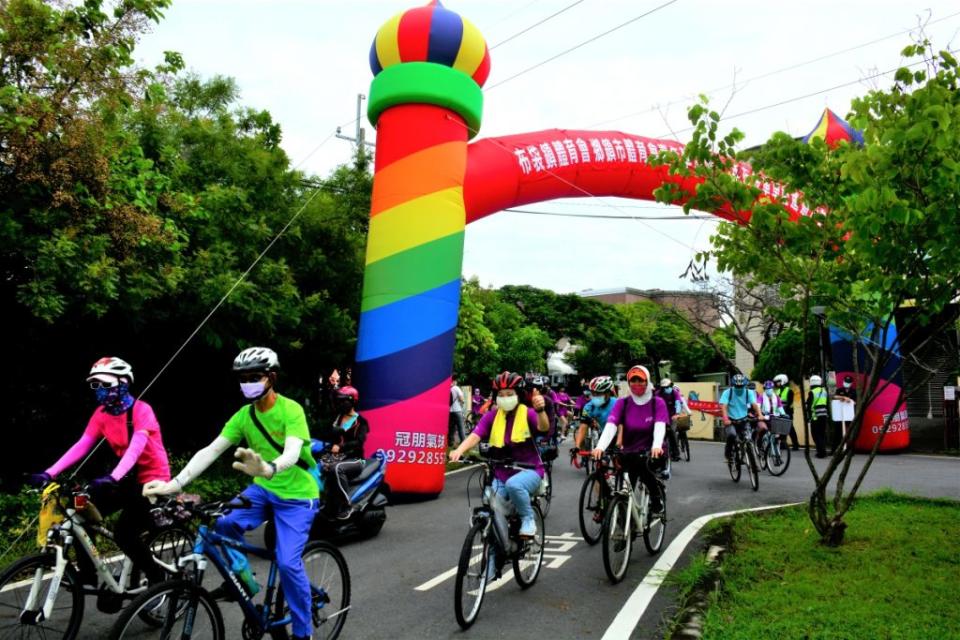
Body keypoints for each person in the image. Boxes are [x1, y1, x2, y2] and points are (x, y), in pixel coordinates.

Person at [143, 347, 319, 640]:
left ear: (271, 378)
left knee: (288, 563)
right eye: (243, 378)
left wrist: (269, 468)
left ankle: (303, 633)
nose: (247, 382)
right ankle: (244, 578)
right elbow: (211, 451)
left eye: (254, 377)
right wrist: (174, 484)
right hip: (263, 491)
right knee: (223, 524)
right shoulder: (243, 416)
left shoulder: (291, 410)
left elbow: (291, 453)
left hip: (298, 496)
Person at [28, 357, 172, 586]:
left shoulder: (141, 411)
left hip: (152, 481)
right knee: (78, 509)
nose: (99, 390)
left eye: (106, 384)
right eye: (95, 385)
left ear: (124, 382)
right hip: (124, 478)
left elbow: (135, 450)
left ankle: (157, 578)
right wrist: (49, 473)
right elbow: (82, 444)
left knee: (125, 533)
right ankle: (89, 575)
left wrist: (112, 477)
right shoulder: (101, 414)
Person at [449, 372, 549, 541]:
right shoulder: (492, 416)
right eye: (501, 395)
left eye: (510, 394)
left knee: (514, 485)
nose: (505, 398)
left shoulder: (528, 413)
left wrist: (540, 410)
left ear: (518, 395)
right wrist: (459, 449)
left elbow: (543, 427)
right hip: (501, 472)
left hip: (530, 470)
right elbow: (476, 434)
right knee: (492, 503)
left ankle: (528, 519)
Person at [591, 365, 666, 516]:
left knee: (644, 469)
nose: (636, 384)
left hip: (650, 451)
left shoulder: (657, 403)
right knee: (625, 489)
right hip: (629, 451)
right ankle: (624, 522)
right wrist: (600, 447)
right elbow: (611, 425)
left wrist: (656, 445)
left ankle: (657, 497)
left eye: (640, 380)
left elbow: (659, 426)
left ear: (647, 381)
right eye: (633, 380)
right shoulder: (623, 403)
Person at [316, 385, 369, 519]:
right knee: (314, 467)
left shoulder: (360, 422)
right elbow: (327, 434)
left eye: (343, 401)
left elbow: (359, 442)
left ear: (352, 401)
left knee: (337, 469)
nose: (340, 404)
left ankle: (346, 505)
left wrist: (341, 447)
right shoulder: (337, 418)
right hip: (335, 457)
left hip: (355, 459)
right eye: (339, 401)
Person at [719, 373, 763, 463]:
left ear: (744, 385)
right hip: (731, 420)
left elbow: (754, 404)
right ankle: (728, 454)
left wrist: (760, 414)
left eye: (741, 386)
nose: (739, 388)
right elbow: (723, 406)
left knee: (748, 438)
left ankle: (748, 457)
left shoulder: (749, 392)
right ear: (733, 385)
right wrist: (726, 419)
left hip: (744, 419)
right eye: (737, 386)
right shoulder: (727, 392)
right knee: (732, 435)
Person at [574, 376, 617, 453]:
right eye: (593, 393)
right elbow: (583, 427)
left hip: (622, 436)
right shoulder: (588, 407)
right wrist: (577, 447)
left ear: (607, 393)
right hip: (605, 436)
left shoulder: (618, 404)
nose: (595, 396)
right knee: (601, 460)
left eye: (598, 393)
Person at [656, 378, 684, 462]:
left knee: (672, 431)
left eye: (668, 386)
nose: (666, 388)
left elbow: (678, 403)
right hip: (661, 417)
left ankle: (676, 454)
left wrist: (677, 413)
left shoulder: (675, 393)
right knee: (658, 434)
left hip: (672, 417)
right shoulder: (658, 394)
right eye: (664, 387)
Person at [773, 373, 801, 450]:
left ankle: (796, 445)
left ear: (783, 381)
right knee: (781, 428)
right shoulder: (777, 391)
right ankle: (782, 444)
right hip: (780, 413)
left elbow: (789, 403)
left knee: (790, 428)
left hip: (788, 412)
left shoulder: (789, 391)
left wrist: (785, 411)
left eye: (778, 381)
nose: (776, 383)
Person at [831, 374, 857, 454]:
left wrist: (849, 400)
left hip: (849, 415)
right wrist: (842, 398)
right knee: (837, 433)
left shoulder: (854, 391)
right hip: (840, 415)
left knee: (849, 433)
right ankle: (834, 450)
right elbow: (834, 397)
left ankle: (850, 451)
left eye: (848, 382)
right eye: (845, 381)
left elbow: (855, 402)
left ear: (851, 383)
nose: (846, 383)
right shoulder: (839, 390)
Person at [805, 374, 829, 458]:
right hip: (824, 415)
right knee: (822, 434)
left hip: (815, 416)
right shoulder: (824, 391)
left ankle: (821, 453)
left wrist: (808, 417)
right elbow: (827, 403)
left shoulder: (812, 392)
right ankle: (823, 451)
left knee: (815, 434)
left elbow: (809, 405)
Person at [449, 378, 466, 447]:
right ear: (454, 381)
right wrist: (462, 402)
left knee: (451, 428)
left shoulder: (448, 389)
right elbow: (461, 398)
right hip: (457, 411)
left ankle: (450, 442)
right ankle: (463, 443)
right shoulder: (456, 388)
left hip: (450, 411)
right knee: (461, 427)